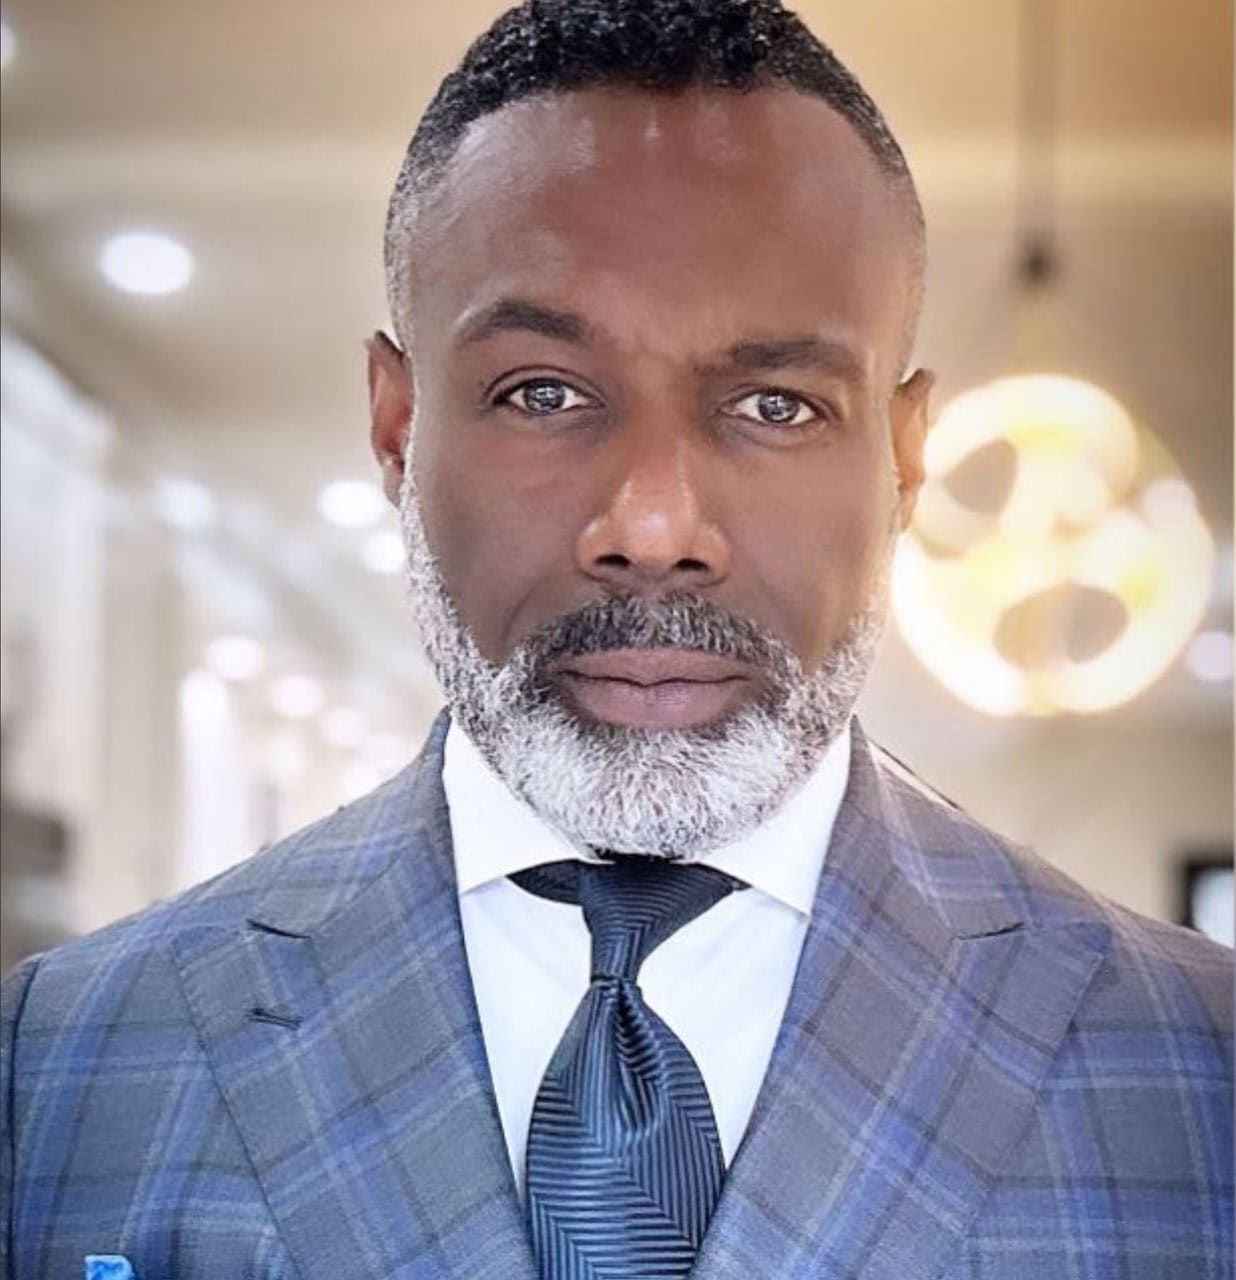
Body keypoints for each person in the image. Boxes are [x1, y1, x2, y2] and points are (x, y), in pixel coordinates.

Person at [2, 2, 1231, 1277]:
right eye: (543, 392)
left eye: (776, 404)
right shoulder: (60, 1063)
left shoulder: (1200, 1060)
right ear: (396, 430)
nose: (653, 527)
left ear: (906, 460)